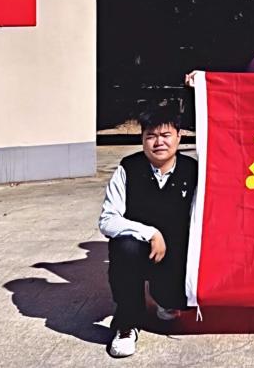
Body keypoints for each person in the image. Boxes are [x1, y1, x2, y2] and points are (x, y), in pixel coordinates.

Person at [98, 106, 197, 358]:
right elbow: (107, 220)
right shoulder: (128, 168)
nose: (159, 142)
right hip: (141, 252)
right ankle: (127, 323)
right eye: (151, 136)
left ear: (179, 136)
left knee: (173, 303)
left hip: (178, 255)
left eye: (166, 135)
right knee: (124, 246)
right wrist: (150, 233)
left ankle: (167, 298)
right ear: (142, 139)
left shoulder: (193, 171)